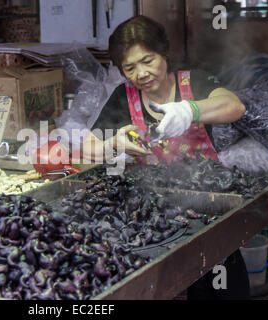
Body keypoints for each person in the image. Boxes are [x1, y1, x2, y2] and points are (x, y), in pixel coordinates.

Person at [82, 16, 250, 300]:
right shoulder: (124, 97)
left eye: (148, 60)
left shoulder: (194, 80)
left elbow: (234, 106)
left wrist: (190, 111)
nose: (141, 73)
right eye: (130, 67)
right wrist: (114, 143)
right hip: (151, 213)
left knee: (219, 284)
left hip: (205, 207)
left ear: (164, 54)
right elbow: (87, 149)